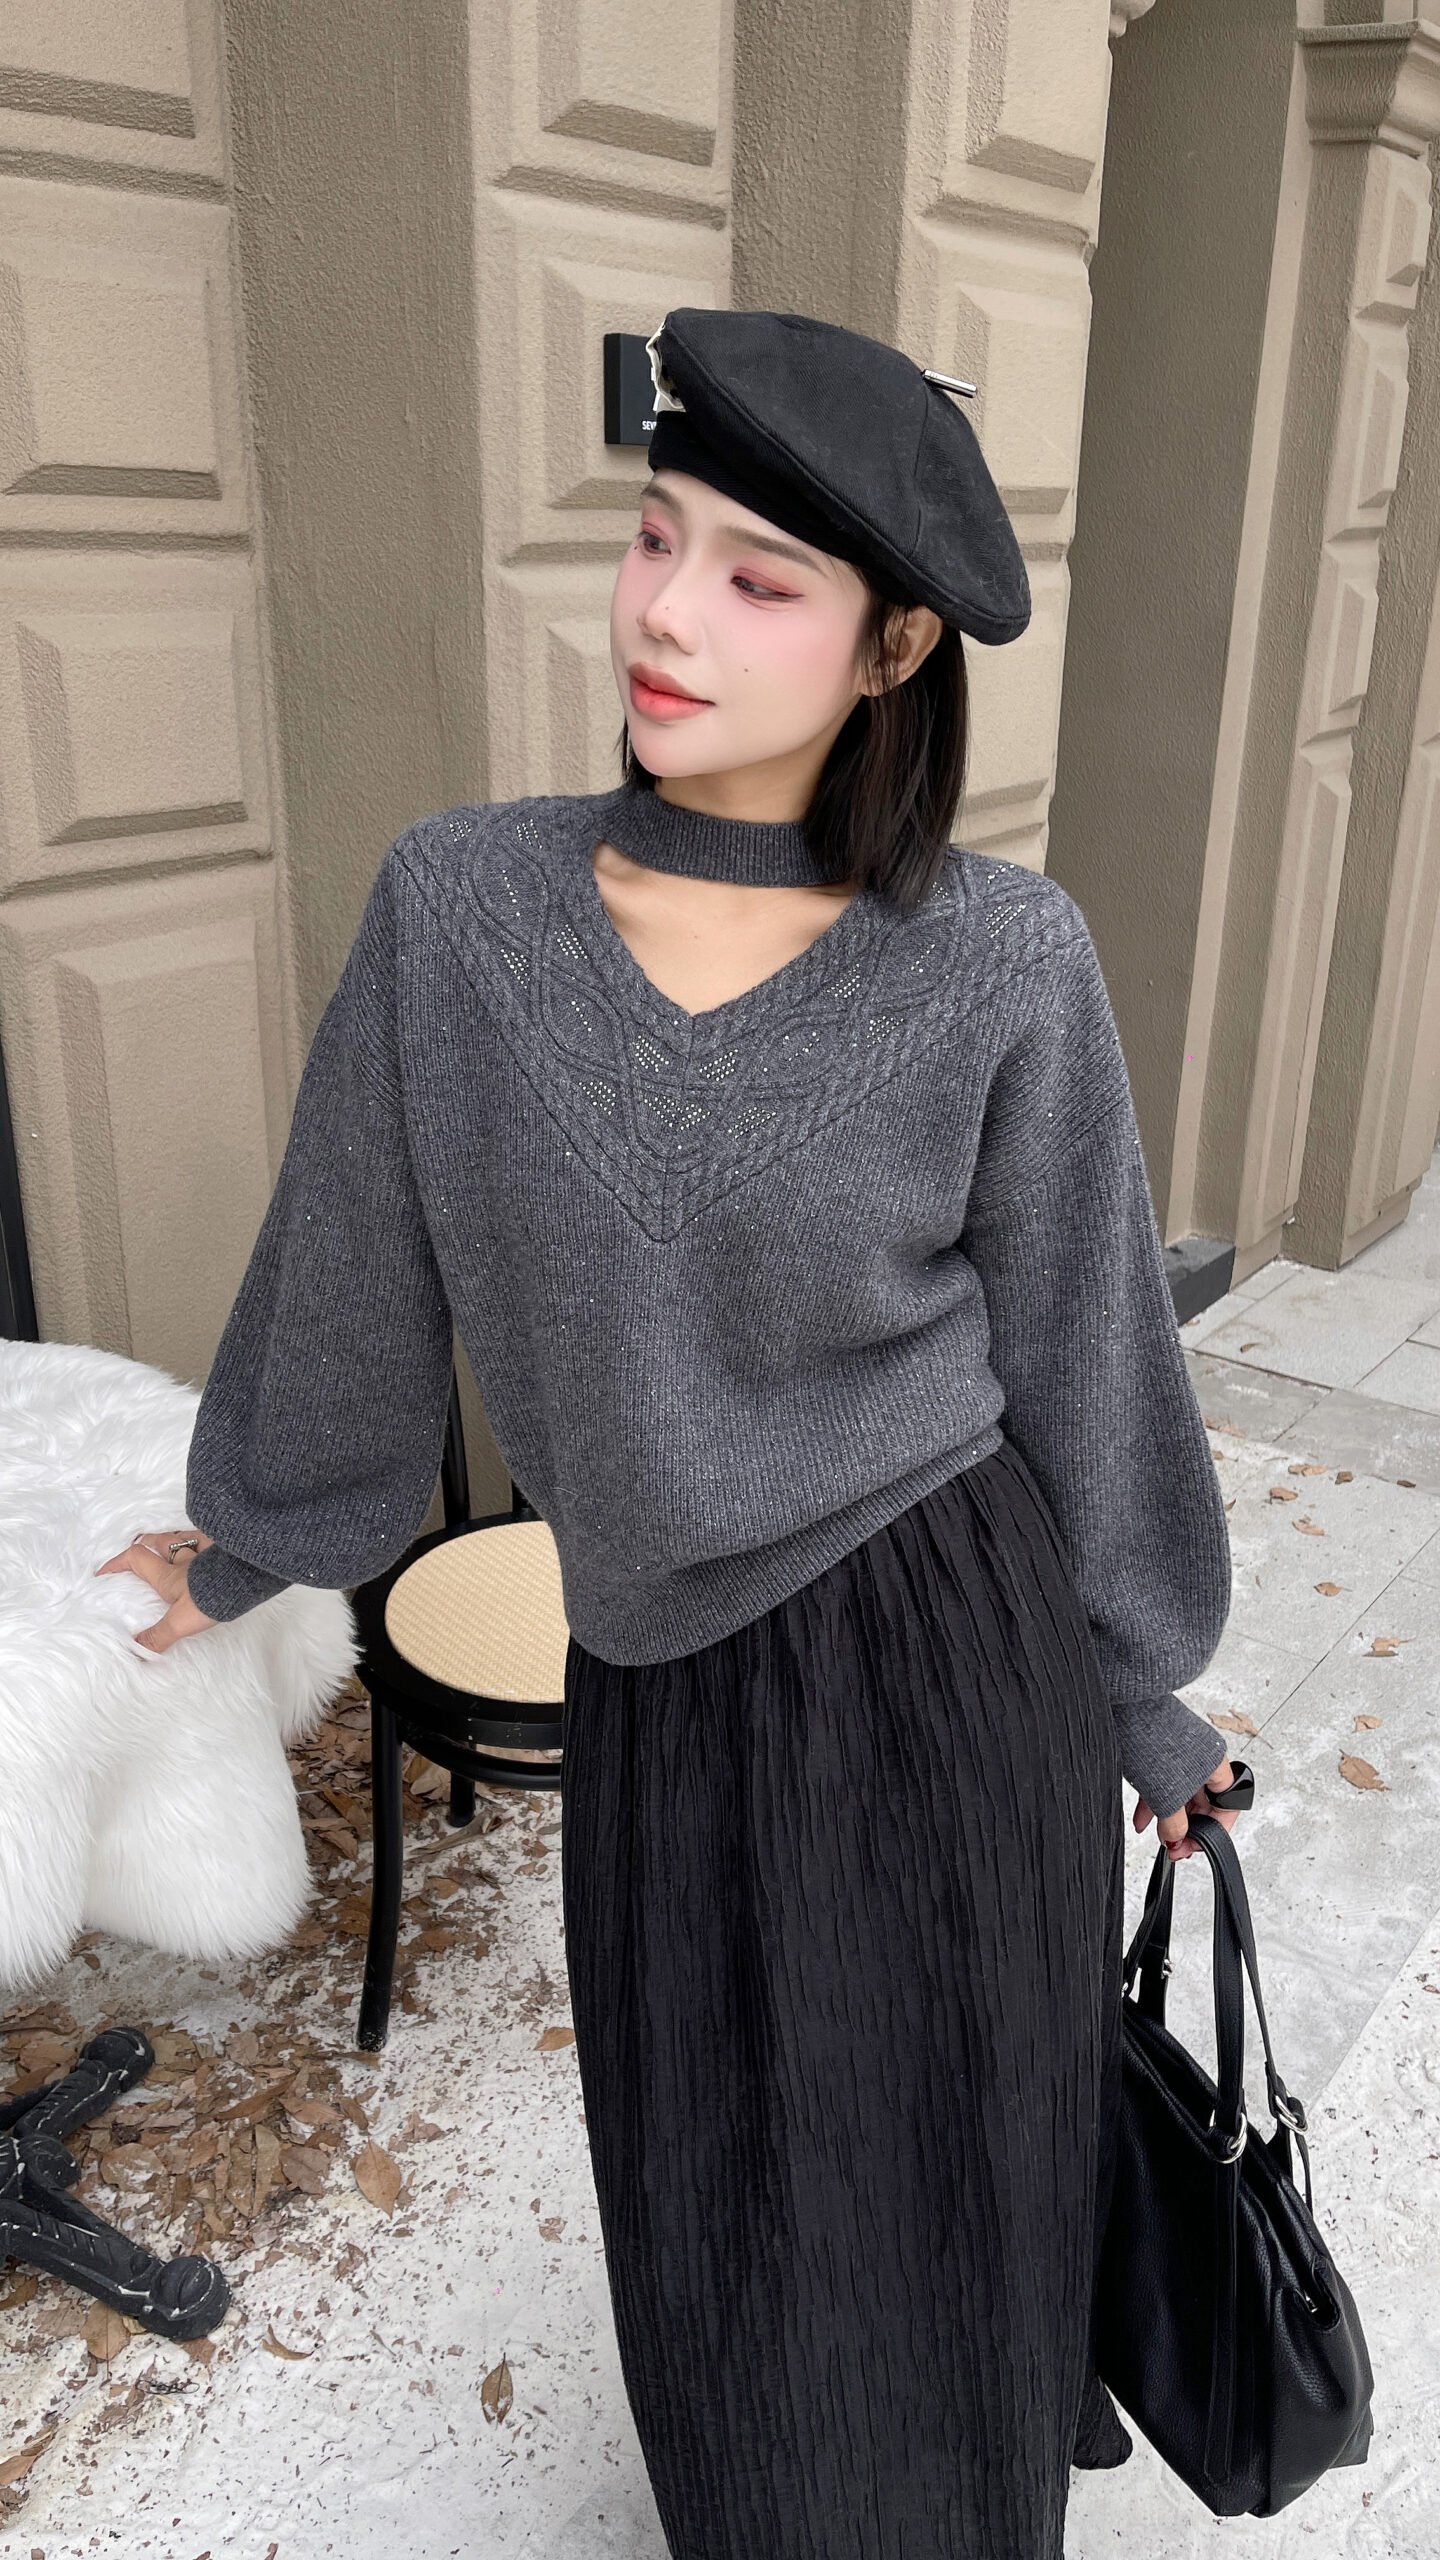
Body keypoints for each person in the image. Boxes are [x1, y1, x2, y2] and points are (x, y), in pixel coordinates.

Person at [96, 308, 1252, 2557]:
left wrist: (1144, 1692)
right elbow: (355, 1262)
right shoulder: (463, 909)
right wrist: (241, 1540)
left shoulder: (1003, 959)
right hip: (667, 1680)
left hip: (945, 1649)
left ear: (895, 645)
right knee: (721, 2197)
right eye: (655, 537)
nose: (664, 611)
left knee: (954, 2172)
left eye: (757, 577)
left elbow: (1088, 1345)